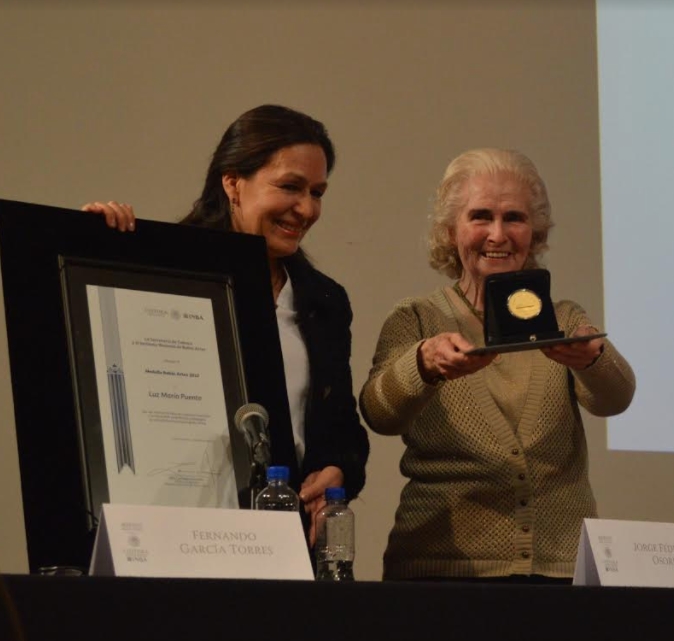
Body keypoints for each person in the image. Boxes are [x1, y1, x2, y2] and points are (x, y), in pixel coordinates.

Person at [83, 104, 370, 545]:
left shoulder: (323, 300)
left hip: (281, 544)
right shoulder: (162, 270)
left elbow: (342, 428)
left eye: (317, 192)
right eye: (290, 187)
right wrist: (94, 242)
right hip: (167, 533)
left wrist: (337, 470)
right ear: (233, 183)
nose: (306, 209)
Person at [359, 147, 635, 583]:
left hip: (560, 572)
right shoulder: (416, 317)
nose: (498, 234)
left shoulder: (562, 319)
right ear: (450, 230)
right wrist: (423, 363)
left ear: (535, 232)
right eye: (481, 216)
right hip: (441, 570)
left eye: (515, 218)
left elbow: (616, 399)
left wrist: (593, 360)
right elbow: (378, 412)